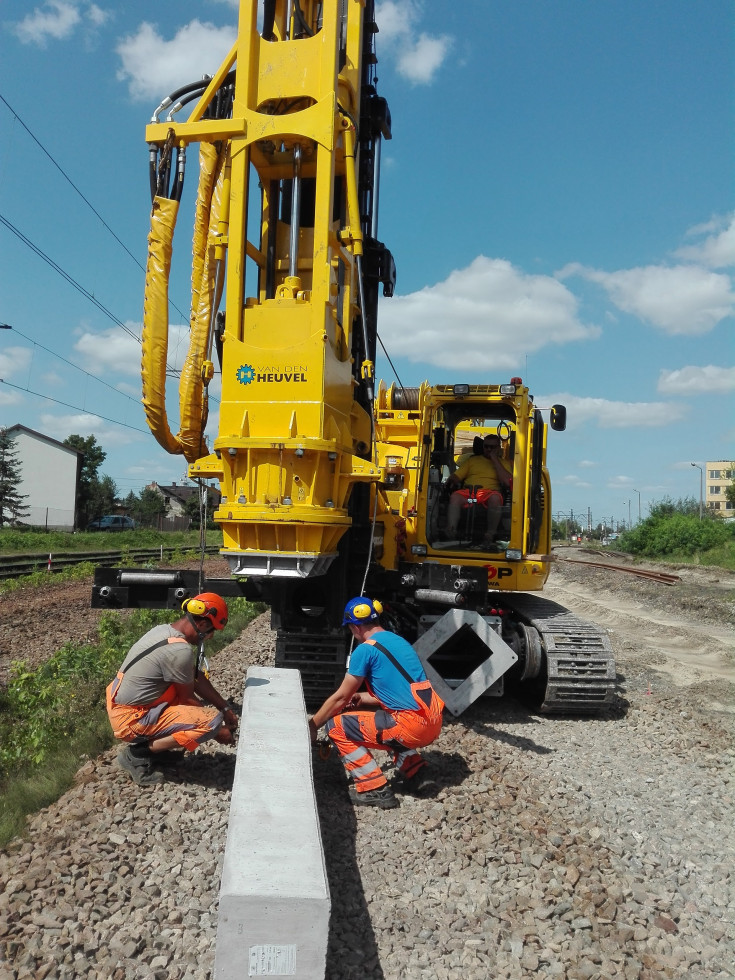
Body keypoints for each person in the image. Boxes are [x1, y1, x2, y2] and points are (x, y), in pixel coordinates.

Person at [308, 597, 444, 809]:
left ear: (355, 627)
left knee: (336, 726)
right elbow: (400, 693)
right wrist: (363, 698)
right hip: (431, 722)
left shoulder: (365, 650)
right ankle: (416, 771)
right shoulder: (398, 641)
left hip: (409, 727)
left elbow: (340, 698)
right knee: (382, 720)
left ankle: (374, 789)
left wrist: (313, 725)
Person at [106, 592, 239, 786]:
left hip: (122, 705)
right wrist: (219, 731)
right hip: (131, 719)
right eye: (211, 631)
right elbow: (188, 700)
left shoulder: (164, 631)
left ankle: (158, 750)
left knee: (194, 706)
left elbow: (194, 677)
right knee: (209, 722)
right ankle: (137, 754)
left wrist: (225, 707)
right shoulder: (180, 651)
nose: (210, 637)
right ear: (201, 624)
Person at [445, 433, 512, 547]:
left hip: (489, 494)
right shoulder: (472, 461)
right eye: (486, 446)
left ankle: (490, 535)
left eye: (492, 447)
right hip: (470, 496)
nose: (489, 449)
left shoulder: (504, 463)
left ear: (498, 448)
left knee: (495, 499)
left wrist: (495, 459)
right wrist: (451, 480)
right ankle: (451, 531)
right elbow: (457, 476)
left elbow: (507, 482)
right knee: (455, 497)